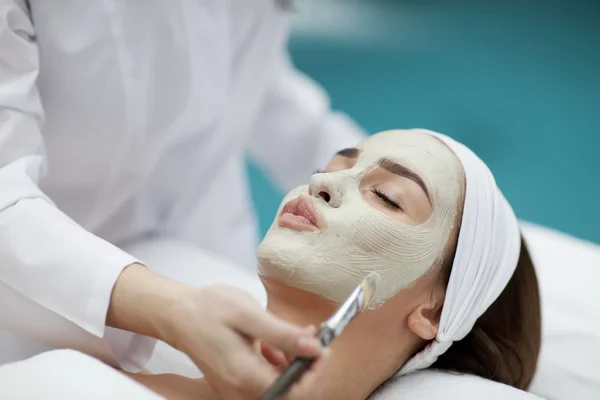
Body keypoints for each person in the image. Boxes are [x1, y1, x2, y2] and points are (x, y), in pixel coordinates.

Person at [0, 1, 364, 399]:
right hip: (33, 297)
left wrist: (384, 160)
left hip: (210, 260)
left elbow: (259, 78)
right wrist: (174, 310)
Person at [117, 129, 542, 399]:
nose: (323, 182)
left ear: (434, 311)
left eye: (387, 197)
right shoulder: (91, 369)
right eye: (330, 168)